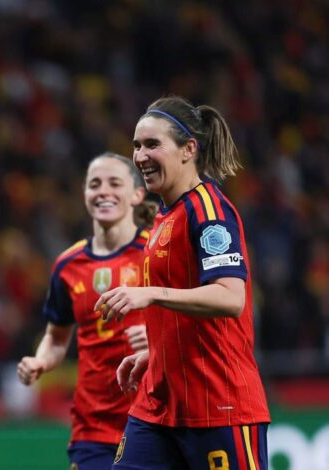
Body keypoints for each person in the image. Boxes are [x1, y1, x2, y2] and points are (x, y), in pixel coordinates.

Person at [95, 96, 270, 469]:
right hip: (159, 406)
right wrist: (157, 353)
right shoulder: (165, 216)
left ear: (189, 149)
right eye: (137, 145)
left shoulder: (209, 210)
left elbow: (229, 296)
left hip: (218, 405)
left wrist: (149, 294)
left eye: (153, 144)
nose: (140, 156)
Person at [17, 152, 153, 469]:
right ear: (85, 195)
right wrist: (40, 360)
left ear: (137, 194)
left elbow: (195, 318)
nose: (103, 191)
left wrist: (158, 336)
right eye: (95, 184)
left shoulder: (156, 252)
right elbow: (56, 337)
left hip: (154, 416)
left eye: (114, 183)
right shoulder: (67, 265)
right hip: (93, 426)